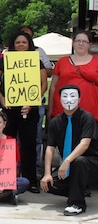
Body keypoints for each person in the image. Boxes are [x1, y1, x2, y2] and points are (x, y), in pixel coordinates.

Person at [0, 31, 48, 193]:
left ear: (29, 44)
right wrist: (1, 98)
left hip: (30, 108)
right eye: (18, 42)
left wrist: (32, 102)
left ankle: (30, 180)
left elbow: (44, 84)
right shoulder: (4, 60)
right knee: (7, 144)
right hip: (9, 109)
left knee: (28, 144)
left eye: (24, 42)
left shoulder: (37, 61)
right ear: (13, 45)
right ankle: (6, 177)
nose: (21, 45)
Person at [41, 84, 98, 216]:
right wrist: (47, 173)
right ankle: (79, 189)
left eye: (73, 96)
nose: (68, 100)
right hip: (70, 167)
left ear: (79, 99)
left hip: (91, 164)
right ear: (59, 99)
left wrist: (66, 161)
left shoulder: (87, 118)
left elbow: (84, 143)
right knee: (48, 184)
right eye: (64, 96)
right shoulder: (56, 122)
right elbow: (50, 148)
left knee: (79, 161)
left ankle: (77, 203)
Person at [20, 25, 54, 180]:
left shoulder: (39, 52)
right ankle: (15, 168)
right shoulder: (9, 55)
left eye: (28, 36)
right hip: (14, 102)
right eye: (22, 36)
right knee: (15, 138)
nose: (23, 40)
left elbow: (48, 72)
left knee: (36, 137)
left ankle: (36, 168)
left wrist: (35, 67)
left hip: (35, 102)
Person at [48, 31, 98, 120]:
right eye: (78, 41)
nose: (81, 44)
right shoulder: (62, 62)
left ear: (89, 44)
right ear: (73, 43)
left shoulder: (96, 62)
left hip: (90, 110)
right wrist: (50, 109)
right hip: (63, 110)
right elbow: (53, 86)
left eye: (84, 41)